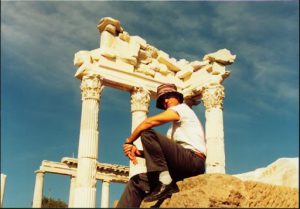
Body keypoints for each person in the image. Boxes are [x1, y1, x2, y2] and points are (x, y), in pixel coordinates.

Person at [116, 83, 206, 208]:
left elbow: (148, 122)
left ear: (177, 97)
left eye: (168, 96)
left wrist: (129, 141)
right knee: (136, 182)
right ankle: (164, 180)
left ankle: (164, 182)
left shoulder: (183, 108)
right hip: (178, 168)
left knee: (147, 132)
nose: (165, 101)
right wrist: (139, 153)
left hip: (193, 161)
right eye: (162, 99)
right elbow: (160, 155)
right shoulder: (173, 129)